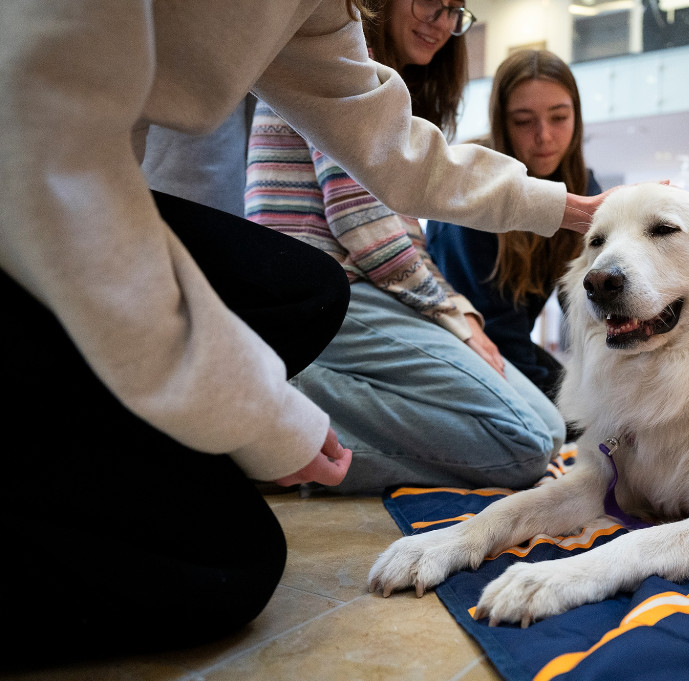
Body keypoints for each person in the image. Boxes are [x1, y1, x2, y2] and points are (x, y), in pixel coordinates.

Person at [0, 0, 608, 666]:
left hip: (146, 232)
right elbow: (45, 159)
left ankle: (201, 425)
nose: (440, 18)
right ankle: (229, 430)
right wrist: (257, 415)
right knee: (237, 567)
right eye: (526, 120)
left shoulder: (325, 24)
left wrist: (569, 208)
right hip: (44, 211)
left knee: (530, 424)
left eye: (453, 9)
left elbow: (398, 152)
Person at [245, 0, 566, 494]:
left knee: (550, 429)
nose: (439, 21)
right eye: (428, 3)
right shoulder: (345, 57)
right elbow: (359, 223)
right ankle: (265, 412)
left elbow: (389, 235)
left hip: (376, 284)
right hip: (332, 284)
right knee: (523, 446)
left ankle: (289, 411)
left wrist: (454, 315)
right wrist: (454, 315)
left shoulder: (389, 80)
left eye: (454, 12)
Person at [426, 50, 603, 407]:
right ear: (501, 122)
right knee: (563, 422)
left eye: (560, 117)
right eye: (524, 121)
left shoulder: (583, 183)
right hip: (458, 346)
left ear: (577, 117)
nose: (545, 136)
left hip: (511, 345)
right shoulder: (471, 181)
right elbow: (495, 330)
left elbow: (589, 310)